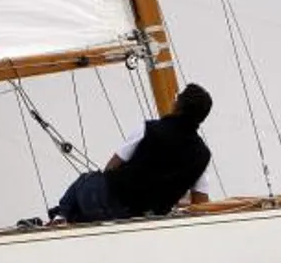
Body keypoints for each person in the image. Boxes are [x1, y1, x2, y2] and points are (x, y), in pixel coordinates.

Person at [51, 83, 214, 223]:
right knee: (102, 215)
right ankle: (69, 218)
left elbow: (111, 167)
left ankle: (61, 215)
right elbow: (200, 204)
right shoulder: (202, 156)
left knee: (86, 179)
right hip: (138, 216)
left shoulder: (148, 129)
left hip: (104, 198)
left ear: (178, 105)